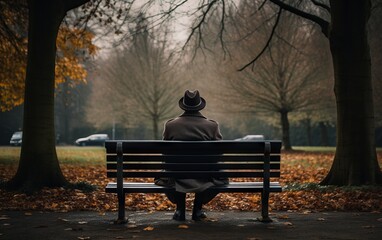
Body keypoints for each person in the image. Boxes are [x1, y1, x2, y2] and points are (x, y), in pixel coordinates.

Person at [155, 90, 228, 221]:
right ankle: (197, 210)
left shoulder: (171, 125)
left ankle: (180, 210)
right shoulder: (212, 126)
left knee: (169, 173)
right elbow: (219, 153)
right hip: (204, 176)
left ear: (184, 105)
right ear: (200, 105)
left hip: (176, 176)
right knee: (221, 178)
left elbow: (165, 152)